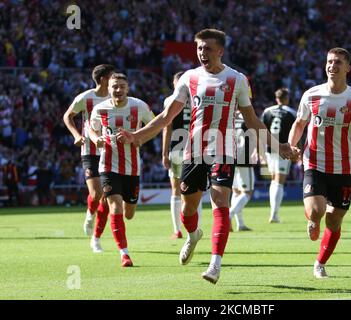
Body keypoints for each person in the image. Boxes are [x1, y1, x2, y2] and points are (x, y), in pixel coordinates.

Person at [117, 29, 295, 284]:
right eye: (199, 48)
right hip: (194, 152)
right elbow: (166, 117)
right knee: (188, 208)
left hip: (224, 150)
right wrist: (137, 135)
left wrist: (280, 146)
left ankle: (215, 263)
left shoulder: (237, 80)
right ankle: (193, 234)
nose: (202, 53)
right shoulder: (189, 78)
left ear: (220, 51)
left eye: (208, 49)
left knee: (220, 201)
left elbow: (253, 121)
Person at [288, 47, 351, 279]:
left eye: (337, 62)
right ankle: (312, 219)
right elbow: (299, 123)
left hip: (344, 168)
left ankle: (319, 263)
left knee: (334, 220)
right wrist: (291, 145)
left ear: (348, 68)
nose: (331, 66)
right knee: (317, 212)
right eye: (329, 62)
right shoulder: (311, 95)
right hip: (314, 163)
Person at [89, 72, 154, 267]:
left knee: (129, 213)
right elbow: (91, 129)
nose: (118, 90)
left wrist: (136, 138)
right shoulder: (100, 109)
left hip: (132, 168)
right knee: (115, 207)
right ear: (108, 89)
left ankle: (104, 207)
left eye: (121, 86)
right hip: (108, 165)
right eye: (114, 86)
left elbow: (155, 126)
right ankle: (124, 254)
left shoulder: (139, 106)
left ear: (127, 88)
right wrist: (96, 139)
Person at [63, 64, 115, 252]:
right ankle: (89, 214)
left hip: (111, 152)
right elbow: (67, 116)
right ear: (103, 79)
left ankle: (96, 238)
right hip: (90, 150)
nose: (115, 80)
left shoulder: (115, 98)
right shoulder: (86, 98)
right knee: (96, 193)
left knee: (108, 195)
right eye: (112, 76)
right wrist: (76, 135)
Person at [162, 71, 202, 240]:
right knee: (196, 191)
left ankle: (177, 229)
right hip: (195, 148)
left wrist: (164, 153)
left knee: (176, 190)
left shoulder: (170, 100)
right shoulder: (197, 97)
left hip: (178, 148)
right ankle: (193, 228)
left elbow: (166, 127)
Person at [261, 88, 297, 223]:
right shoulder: (291, 112)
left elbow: (261, 130)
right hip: (284, 149)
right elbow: (297, 130)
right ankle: (274, 214)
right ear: (287, 98)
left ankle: (273, 213)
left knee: (273, 180)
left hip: (269, 149)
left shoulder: (267, 111)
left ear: (276, 98)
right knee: (279, 181)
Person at [229, 109, 257, 231]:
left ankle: (240, 224)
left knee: (236, 191)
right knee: (247, 192)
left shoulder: (230, 116)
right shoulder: (248, 116)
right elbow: (255, 134)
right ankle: (229, 215)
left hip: (230, 157)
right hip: (244, 157)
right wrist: (257, 151)